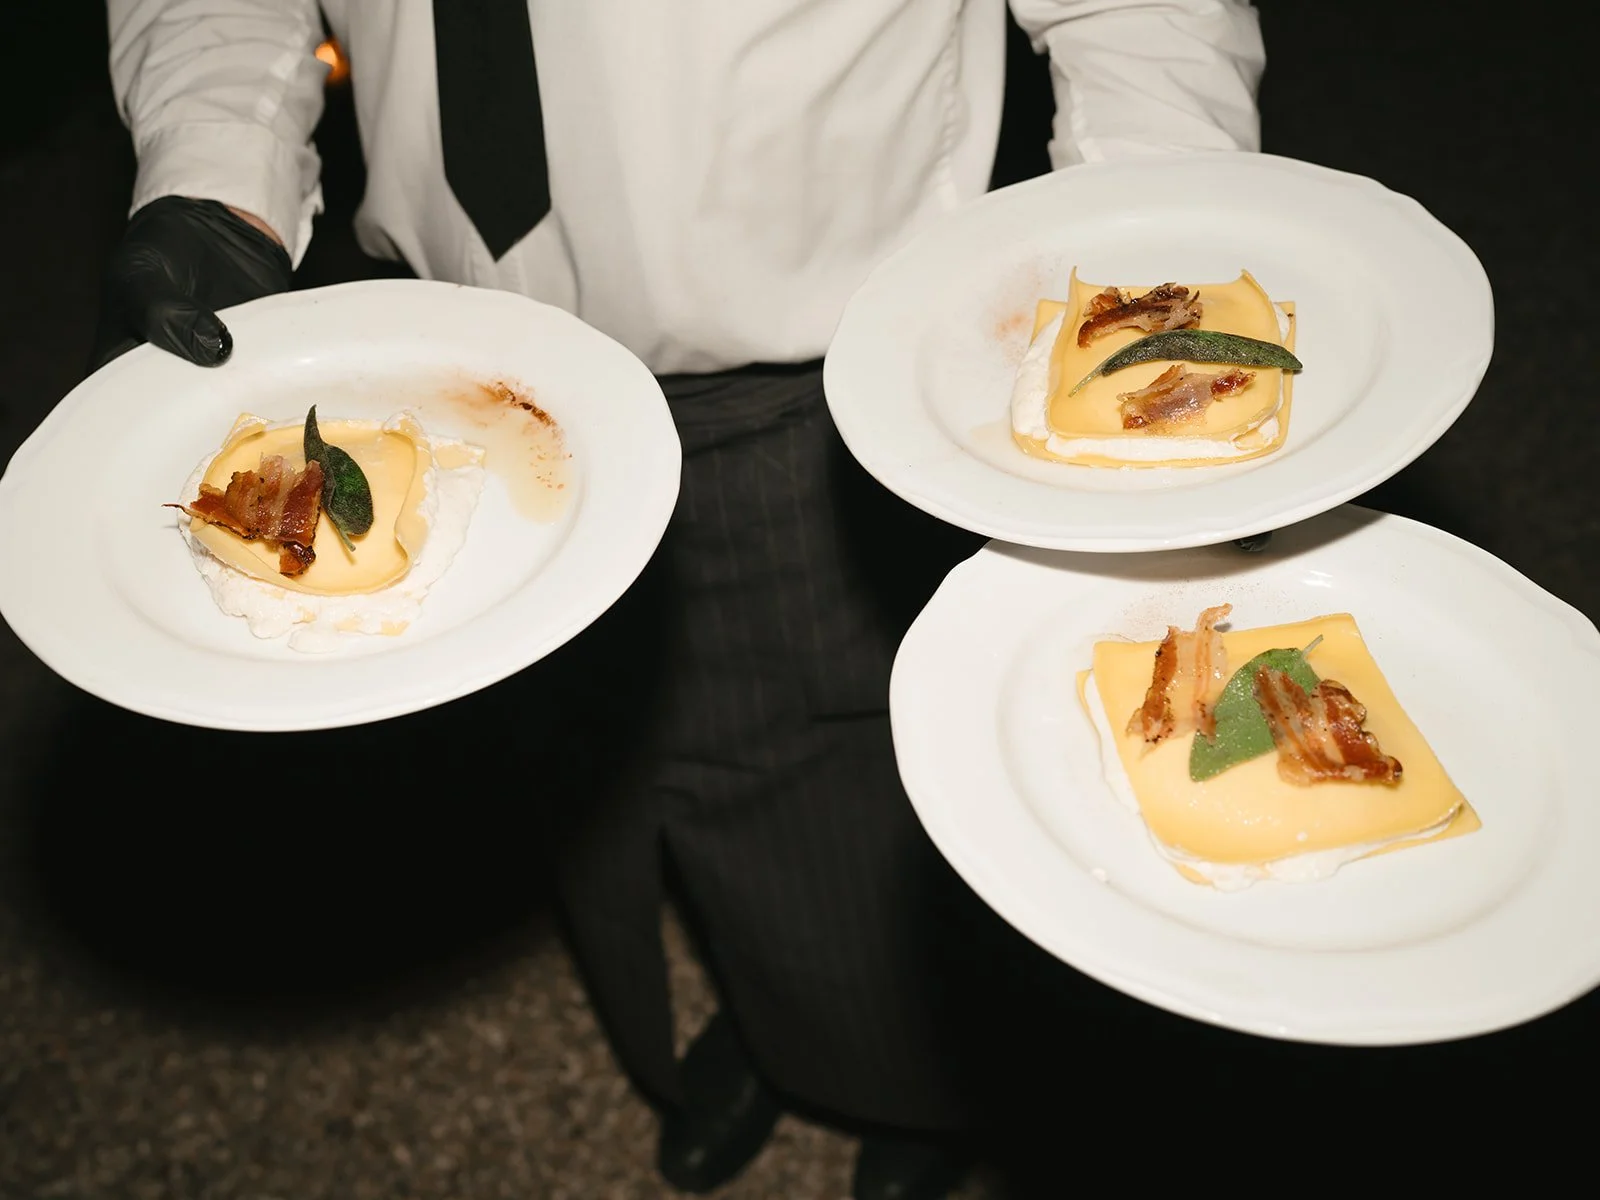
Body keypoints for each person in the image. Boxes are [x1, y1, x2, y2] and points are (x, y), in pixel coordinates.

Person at [97, 2, 1267, 1196]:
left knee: (836, 775)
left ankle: (903, 1083)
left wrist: (1151, 248)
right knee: (595, 776)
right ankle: (766, 1021)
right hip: (450, 372)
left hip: (808, 377)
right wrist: (215, 171)